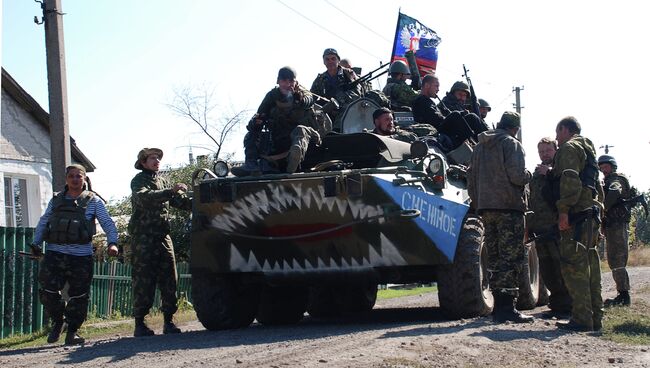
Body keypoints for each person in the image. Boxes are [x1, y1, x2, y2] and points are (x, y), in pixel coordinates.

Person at [30, 164, 119, 345]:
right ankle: (58, 321)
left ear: (84, 179)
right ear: (66, 179)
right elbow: (44, 221)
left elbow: (107, 223)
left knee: (79, 295)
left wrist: (113, 243)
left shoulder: (93, 201)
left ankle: (72, 331)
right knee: (47, 291)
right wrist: (36, 242)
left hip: (81, 256)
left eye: (79, 176)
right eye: (71, 176)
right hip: (55, 253)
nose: (75, 179)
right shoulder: (56, 200)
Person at [467, 111, 533, 324]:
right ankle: (507, 308)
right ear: (515, 128)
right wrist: (530, 175)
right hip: (508, 207)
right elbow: (517, 176)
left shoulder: (479, 147)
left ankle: (498, 307)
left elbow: (471, 177)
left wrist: (478, 203)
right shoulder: (511, 144)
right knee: (511, 257)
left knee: (493, 257)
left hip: (485, 208)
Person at [129, 148, 192, 337]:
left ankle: (168, 322)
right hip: (143, 238)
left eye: (158, 158)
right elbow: (144, 198)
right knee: (143, 280)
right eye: (152, 158)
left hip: (163, 236)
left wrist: (196, 200)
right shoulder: (139, 180)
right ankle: (140, 323)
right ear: (143, 162)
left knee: (169, 279)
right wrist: (169, 191)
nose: (156, 160)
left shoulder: (163, 181)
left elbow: (180, 203)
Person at [550, 116, 604, 332]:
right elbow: (595, 186)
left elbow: (570, 180)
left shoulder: (569, 148)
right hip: (591, 214)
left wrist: (563, 211)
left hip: (576, 215)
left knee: (574, 267)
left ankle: (582, 319)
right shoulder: (589, 150)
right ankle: (594, 317)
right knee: (590, 265)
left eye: (557, 133)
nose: (556, 138)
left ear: (565, 129)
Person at [233, 66, 323, 176]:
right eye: (284, 80)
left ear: (295, 81)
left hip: (305, 138)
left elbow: (309, 100)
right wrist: (256, 123)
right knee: (251, 135)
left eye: (291, 81)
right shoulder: (272, 96)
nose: (288, 84)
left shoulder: (303, 93)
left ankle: (292, 164)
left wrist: (300, 100)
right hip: (279, 139)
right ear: (278, 81)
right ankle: (252, 165)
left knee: (300, 131)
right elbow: (259, 115)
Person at [528, 137, 572, 316]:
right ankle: (557, 305)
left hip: (557, 227)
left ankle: (570, 306)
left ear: (555, 150)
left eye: (547, 150)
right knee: (547, 269)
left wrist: (551, 174)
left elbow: (566, 193)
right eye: (541, 151)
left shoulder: (561, 170)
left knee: (562, 266)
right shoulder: (536, 173)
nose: (544, 154)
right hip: (540, 228)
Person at [598, 154, 633, 307]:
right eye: (601, 167)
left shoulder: (616, 180)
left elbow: (615, 192)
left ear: (612, 166)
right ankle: (622, 294)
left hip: (618, 224)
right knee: (614, 259)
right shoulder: (609, 179)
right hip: (613, 224)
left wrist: (602, 208)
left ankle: (624, 295)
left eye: (605, 167)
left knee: (617, 259)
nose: (603, 170)